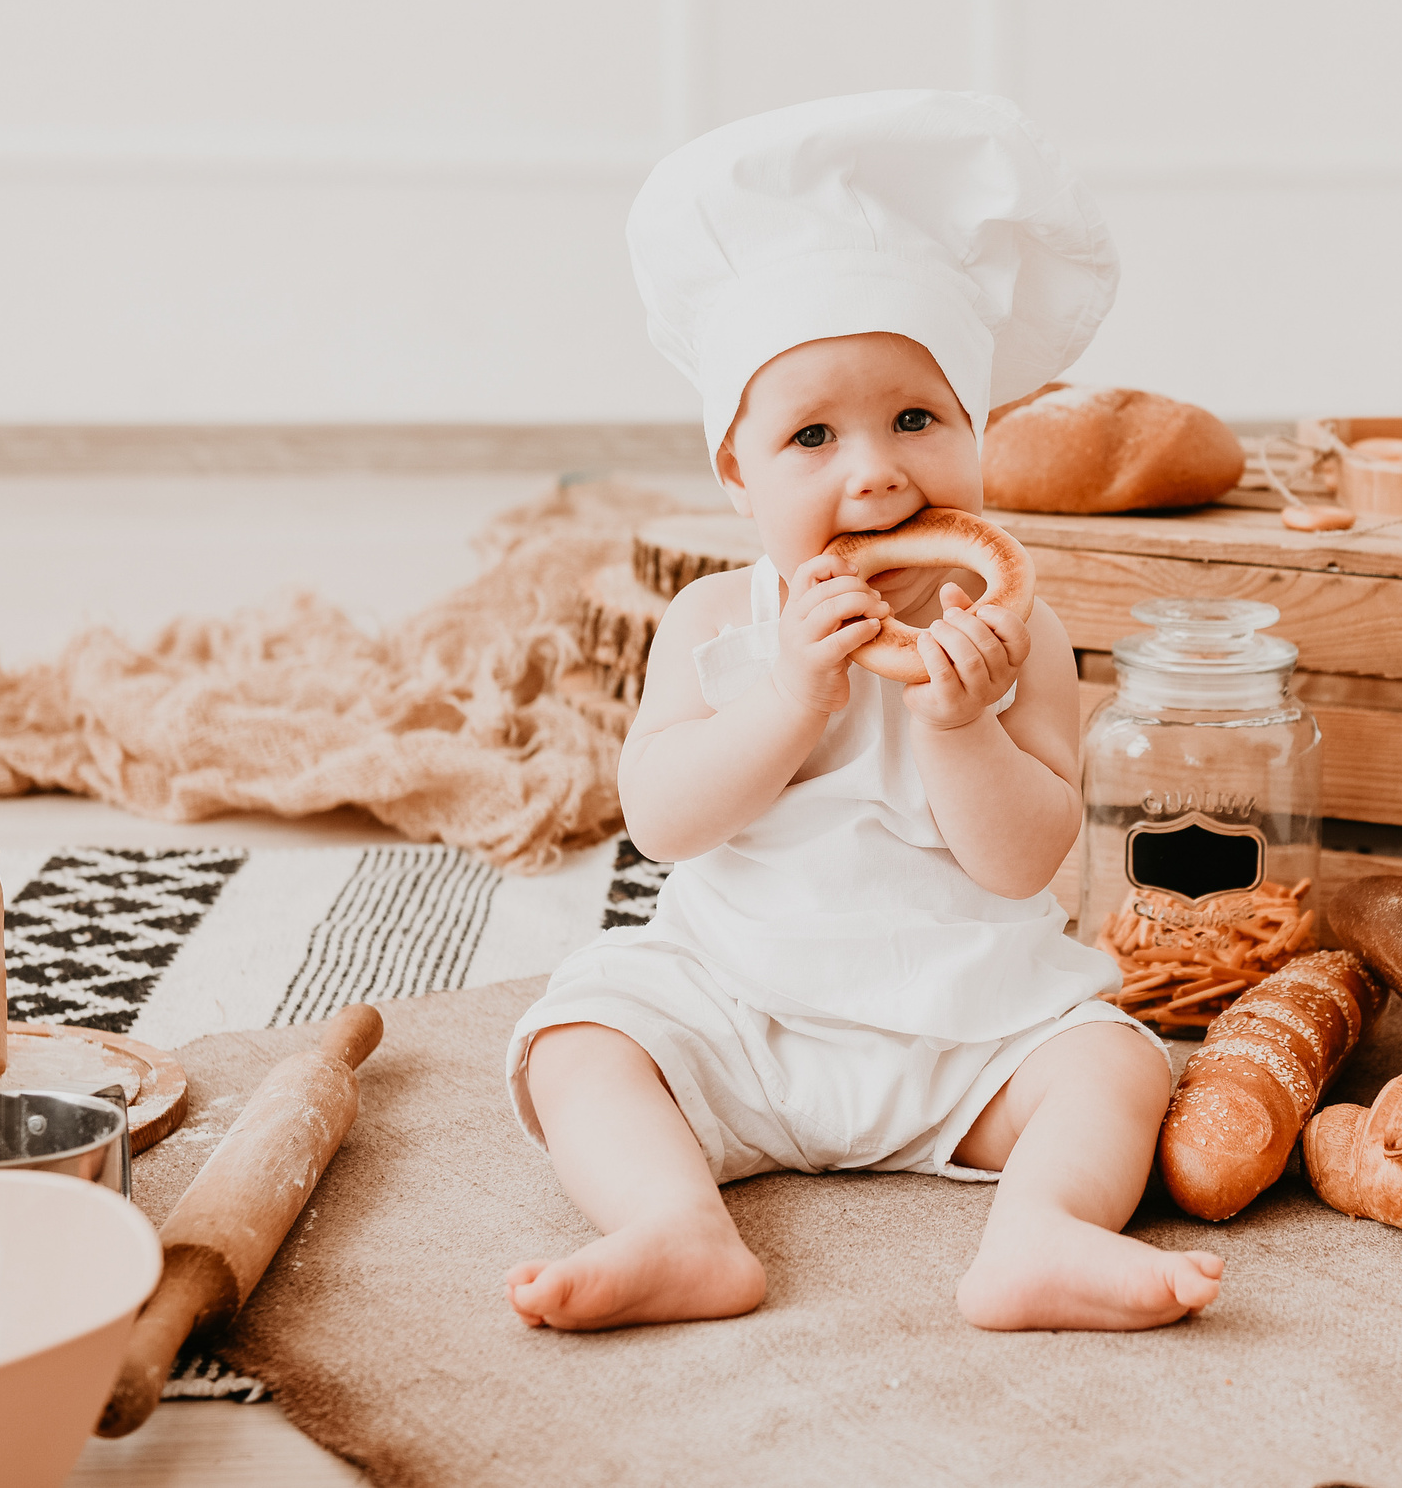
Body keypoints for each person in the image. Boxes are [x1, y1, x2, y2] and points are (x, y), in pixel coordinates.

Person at [504, 91, 1220, 1333]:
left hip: (966, 1032)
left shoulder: (1020, 634)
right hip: (736, 1012)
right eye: (812, 437)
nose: (874, 469)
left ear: (978, 433)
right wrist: (789, 696)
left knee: (1115, 1065)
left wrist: (963, 726)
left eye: (913, 420)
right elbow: (664, 822)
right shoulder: (717, 625)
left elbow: (1021, 864)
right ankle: (671, 1227)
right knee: (578, 1043)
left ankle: (1039, 1235)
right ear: (737, 473)